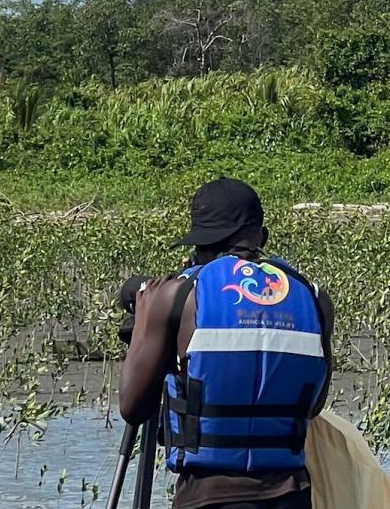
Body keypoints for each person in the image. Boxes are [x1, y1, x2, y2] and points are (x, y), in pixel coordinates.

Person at [120, 177, 335, 509]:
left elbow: (134, 408)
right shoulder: (313, 297)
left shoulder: (178, 297)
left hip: (206, 497)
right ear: (261, 237)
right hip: (291, 494)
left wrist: (145, 321)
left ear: (200, 246)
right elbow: (313, 405)